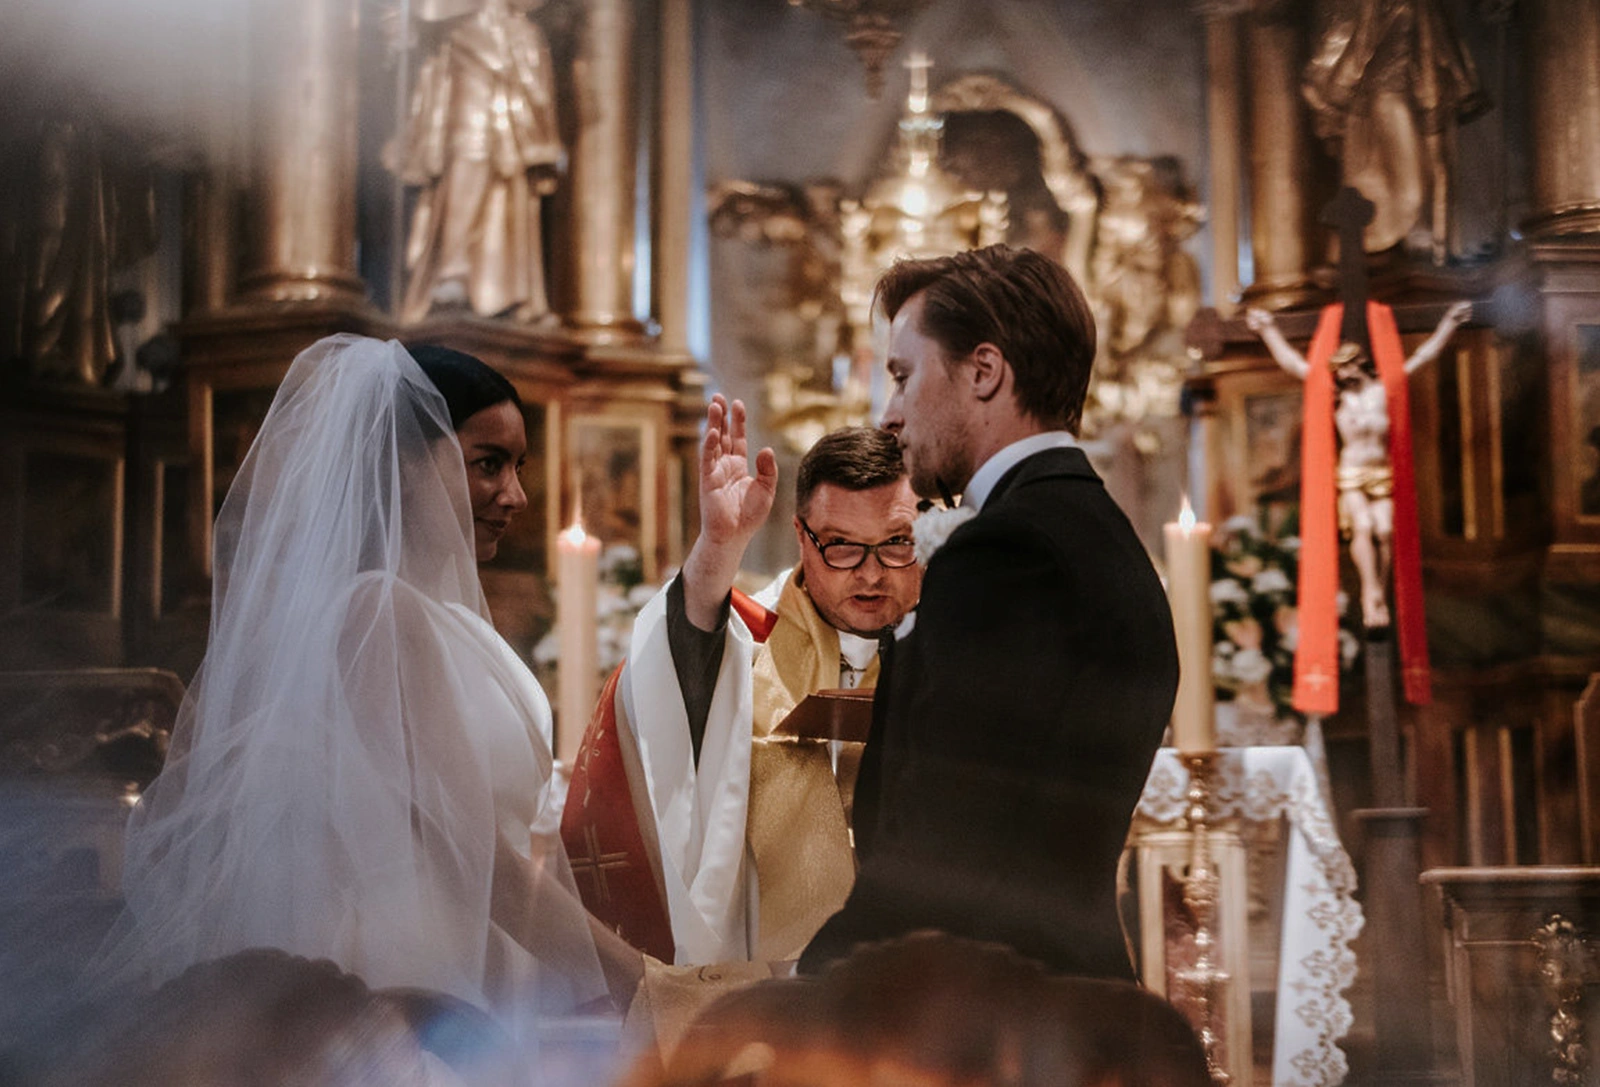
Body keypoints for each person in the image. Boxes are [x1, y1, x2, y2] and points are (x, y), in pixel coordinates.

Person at [93, 335, 624, 1042]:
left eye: (518, 466)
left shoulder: (443, 618)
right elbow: (481, 863)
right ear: (403, 464)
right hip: (400, 975)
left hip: (471, 960)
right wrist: (640, 982)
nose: (517, 495)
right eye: (488, 463)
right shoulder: (377, 616)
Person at [799, 244, 1179, 980]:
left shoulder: (1012, 552)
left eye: (903, 377)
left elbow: (944, 843)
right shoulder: (1089, 528)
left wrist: (806, 993)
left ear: (983, 371)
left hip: (998, 1008)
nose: (888, 415)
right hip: (1052, 995)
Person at [561, 405, 923, 967]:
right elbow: (666, 692)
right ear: (801, 537)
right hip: (776, 982)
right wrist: (719, 546)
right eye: (842, 546)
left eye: (896, 542)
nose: (871, 573)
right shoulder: (748, 643)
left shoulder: (955, 643)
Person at [1245, 300, 1469, 627]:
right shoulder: (1336, 396)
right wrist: (1268, 330)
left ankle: (1378, 589)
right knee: (1363, 527)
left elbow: (1423, 357)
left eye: (1346, 367)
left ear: (1358, 364)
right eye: (1338, 369)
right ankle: (1370, 595)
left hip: (1380, 471)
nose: (1342, 374)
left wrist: (1449, 324)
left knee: (1385, 530)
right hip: (1352, 473)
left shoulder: (1383, 390)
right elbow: (1293, 364)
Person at [388, 0, 564, 325]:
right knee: (464, 182)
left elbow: (539, 94)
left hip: (512, 137)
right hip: (466, 132)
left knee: (511, 201)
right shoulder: (454, 30)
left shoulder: (525, 34)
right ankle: (452, 272)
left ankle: (517, 294)